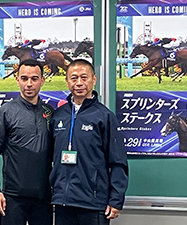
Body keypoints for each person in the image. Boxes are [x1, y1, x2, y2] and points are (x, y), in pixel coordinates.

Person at [49, 59, 129, 225]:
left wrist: (116, 199)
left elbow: (118, 161)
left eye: (84, 77)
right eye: (74, 78)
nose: (79, 83)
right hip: (63, 202)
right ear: (67, 81)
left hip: (93, 203)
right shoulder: (58, 116)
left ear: (94, 79)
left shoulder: (104, 117)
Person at [0, 59, 54, 225]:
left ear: (42, 81)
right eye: (24, 78)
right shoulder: (5, 112)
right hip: (12, 199)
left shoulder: (50, 112)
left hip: (43, 198)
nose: (29, 84)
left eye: (34, 79)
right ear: (17, 80)